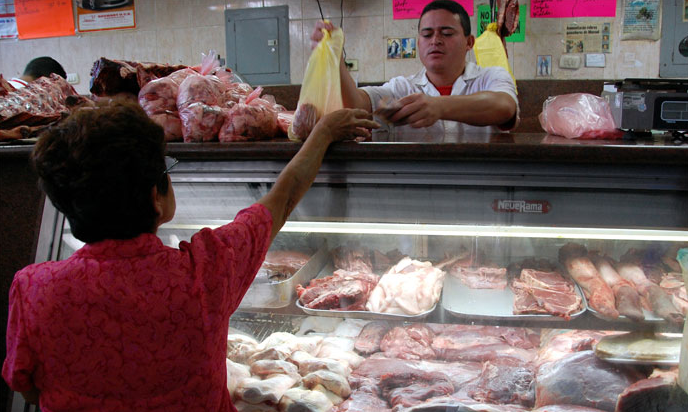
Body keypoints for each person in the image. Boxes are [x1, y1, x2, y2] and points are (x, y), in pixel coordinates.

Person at [2, 100, 378, 411]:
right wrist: (324, 133)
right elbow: (283, 198)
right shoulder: (203, 271)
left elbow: (28, 388)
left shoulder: (33, 289)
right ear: (155, 196)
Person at [312, 0, 518, 136]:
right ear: (418, 44)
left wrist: (438, 106)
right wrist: (335, 64)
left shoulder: (490, 77)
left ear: (469, 42)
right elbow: (357, 105)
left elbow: (504, 106)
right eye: (427, 35)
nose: (435, 40)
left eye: (446, 33)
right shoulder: (402, 90)